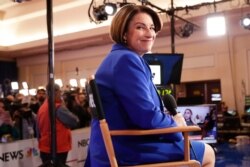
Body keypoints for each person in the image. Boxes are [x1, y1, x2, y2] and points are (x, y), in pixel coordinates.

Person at [84, 4, 215, 167]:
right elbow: (146, 116)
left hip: (116, 145)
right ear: (124, 32)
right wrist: (176, 127)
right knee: (208, 152)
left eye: (152, 28)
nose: (150, 34)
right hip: (127, 150)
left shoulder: (118, 58)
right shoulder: (127, 60)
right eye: (140, 27)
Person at [37, 84, 79, 166]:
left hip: (44, 148)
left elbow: (38, 130)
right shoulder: (58, 108)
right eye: (60, 92)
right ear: (56, 92)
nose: (61, 95)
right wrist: (63, 106)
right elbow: (75, 121)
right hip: (58, 148)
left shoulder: (41, 108)